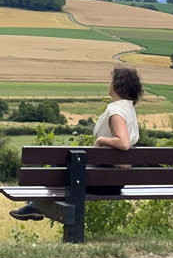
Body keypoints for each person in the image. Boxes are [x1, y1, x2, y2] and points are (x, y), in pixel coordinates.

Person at [9, 65, 143, 221]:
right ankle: (35, 205)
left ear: (118, 86)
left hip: (105, 181)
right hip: (116, 180)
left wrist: (101, 140)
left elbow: (124, 143)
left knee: (60, 163)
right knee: (63, 165)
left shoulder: (117, 112)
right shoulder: (129, 109)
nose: (109, 83)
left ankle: (35, 206)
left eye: (111, 80)